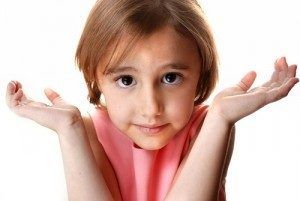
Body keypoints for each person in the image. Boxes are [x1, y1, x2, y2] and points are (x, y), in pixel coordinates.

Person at [5, 0, 298, 200]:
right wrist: (68, 129)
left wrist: (221, 117)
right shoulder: (90, 132)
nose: (151, 108)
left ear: (201, 72)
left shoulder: (209, 125)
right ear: (97, 78)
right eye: (126, 80)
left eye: (170, 77)